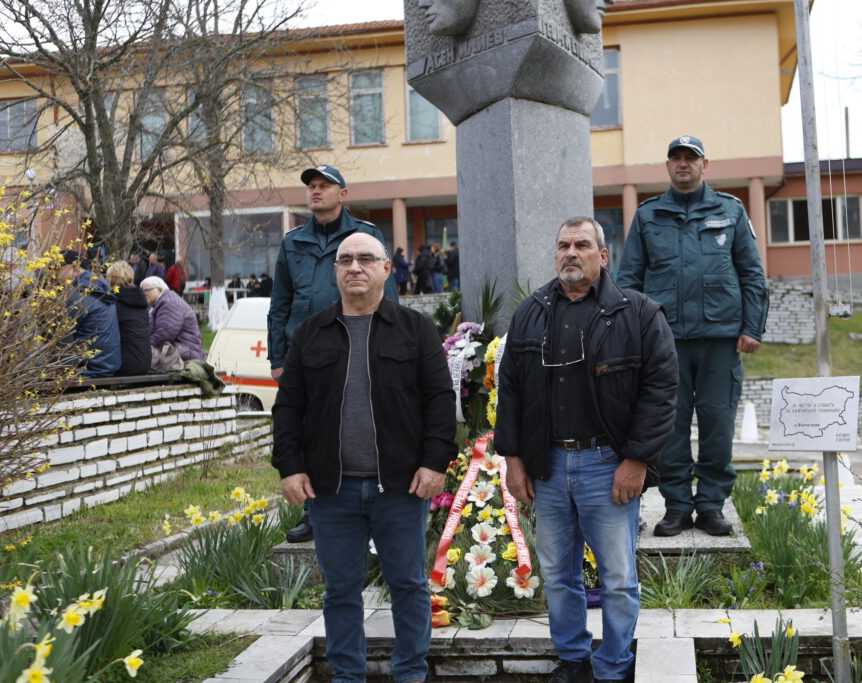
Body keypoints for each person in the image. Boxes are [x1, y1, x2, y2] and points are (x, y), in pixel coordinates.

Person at [495, 217, 678, 683]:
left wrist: (636, 460)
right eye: (563, 245)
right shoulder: (531, 313)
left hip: (608, 464)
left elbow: (661, 392)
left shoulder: (639, 313)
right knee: (558, 574)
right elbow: (510, 390)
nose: (570, 253)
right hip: (549, 465)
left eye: (581, 244)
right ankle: (573, 660)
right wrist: (513, 459)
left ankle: (613, 666)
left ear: (603, 254)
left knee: (617, 578)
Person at [272, 232, 454, 683]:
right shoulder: (310, 334)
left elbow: (438, 400)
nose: (355, 266)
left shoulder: (416, 329)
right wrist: (290, 467)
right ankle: (348, 676)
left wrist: (435, 463)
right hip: (331, 490)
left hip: (400, 486)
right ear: (335, 270)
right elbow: (289, 407)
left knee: (409, 585)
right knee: (340, 591)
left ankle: (410, 673)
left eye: (366, 259)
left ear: (386, 269)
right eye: (346, 259)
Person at [616, 135, 769, 537]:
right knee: (669, 425)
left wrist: (752, 327)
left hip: (721, 340)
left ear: (705, 165)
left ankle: (712, 505)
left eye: (691, 158)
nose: (683, 163)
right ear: (668, 165)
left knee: (718, 422)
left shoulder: (730, 210)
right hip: (665, 341)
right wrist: (631, 334)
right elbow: (629, 279)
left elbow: (752, 273)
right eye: (676, 158)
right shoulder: (648, 215)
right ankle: (678, 507)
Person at [268, 164, 398, 543]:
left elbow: (388, 297)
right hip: (307, 353)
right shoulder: (293, 242)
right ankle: (314, 512)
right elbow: (280, 303)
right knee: (310, 430)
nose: (315, 191)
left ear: (342, 194)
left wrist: (389, 350)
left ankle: (374, 507)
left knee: (362, 424)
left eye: (324, 185)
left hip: (359, 345)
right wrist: (278, 358)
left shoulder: (366, 236)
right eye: (311, 185)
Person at [58, 250, 122, 378]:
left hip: (88, 368)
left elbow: (59, 334)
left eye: (58, 270)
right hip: (107, 364)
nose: (56, 276)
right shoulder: (99, 288)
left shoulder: (77, 295)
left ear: (74, 267)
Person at [141, 276, 205, 363]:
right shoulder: (160, 303)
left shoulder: (169, 303)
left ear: (160, 289)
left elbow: (164, 335)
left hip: (185, 356)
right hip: (179, 352)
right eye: (142, 291)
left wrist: (143, 347)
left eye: (147, 290)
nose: (144, 294)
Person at [106, 261, 152, 376]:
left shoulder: (114, 303)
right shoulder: (140, 301)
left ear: (111, 280)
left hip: (125, 365)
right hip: (144, 363)